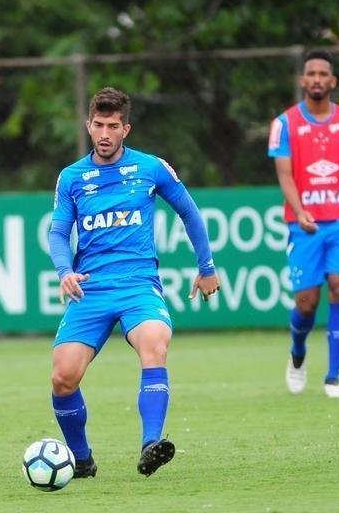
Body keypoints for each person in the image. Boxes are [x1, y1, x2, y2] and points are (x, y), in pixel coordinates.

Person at [48, 87, 220, 478]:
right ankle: (82, 459)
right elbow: (58, 233)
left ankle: (150, 444)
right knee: (63, 377)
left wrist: (206, 266)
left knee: (155, 342)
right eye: (98, 125)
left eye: (113, 126)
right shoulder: (72, 177)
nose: (105, 133)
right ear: (87, 125)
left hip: (138, 284)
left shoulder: (151, 168)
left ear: (126, 128)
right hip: (90, 286)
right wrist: (64, 271)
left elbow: (189, 213)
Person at [268, 50, 339, 399]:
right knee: (306, 303)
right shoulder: (284, 124)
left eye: (323, 74)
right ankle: (298, 354)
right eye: (311, 73)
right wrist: (299, 211)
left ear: (333, 81)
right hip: (305, 226)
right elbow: (285, 175)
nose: (316, 79)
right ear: (303, 80)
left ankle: (333, 378)